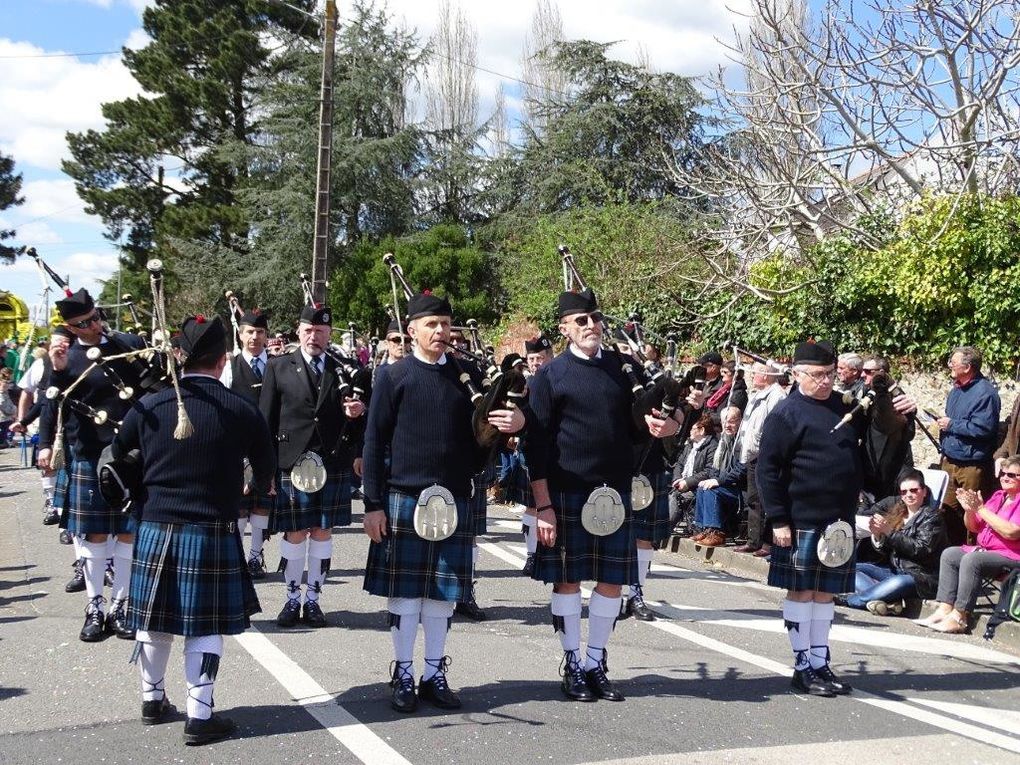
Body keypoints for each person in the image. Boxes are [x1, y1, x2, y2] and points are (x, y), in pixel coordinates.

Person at [361, 290, 524, 713]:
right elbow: (375, 441)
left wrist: (498, 433)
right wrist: (373, 504)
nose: (440, 332)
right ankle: (402, 672)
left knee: (441, 596)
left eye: (445, 324)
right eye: (431, 325)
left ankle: (433, 672)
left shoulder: (465, 377)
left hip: (453, 497)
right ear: (411, 330)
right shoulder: (393, 377)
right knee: (406, 593)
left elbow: (479, 439)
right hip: (404, 496)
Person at [118, 315, 275, 745]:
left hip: (154, 525)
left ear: (179, 357)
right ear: (223, 359)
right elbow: (266, 476)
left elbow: (118, 460)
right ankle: (199, 716)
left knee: (154, 620)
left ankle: (152, 699)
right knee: (204, 626)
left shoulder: (149, 406)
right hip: (212, 529)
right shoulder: (242, 411)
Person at [527, 288, 682, 703]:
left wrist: (673, 423)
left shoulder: (623, 367)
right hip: (567, 491)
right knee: (567, 581)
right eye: (581, 320)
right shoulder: (549, 376)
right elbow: (535, 448)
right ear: (564, 328)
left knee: (612, 581)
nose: (591, 325)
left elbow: (667, 401)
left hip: (615, 492)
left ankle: (596, 661)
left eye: (595, 317)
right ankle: (573, 663)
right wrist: (543, 506)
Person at [757, 339, 899, 698]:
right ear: (798, 374)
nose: (825, 381)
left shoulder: (842, 406)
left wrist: (885, 397)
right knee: (802, 591)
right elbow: (767, 471)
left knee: (826, 594)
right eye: (818, 375)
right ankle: (801, 665)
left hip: (838, 519)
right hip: (801, 516)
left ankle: (820, 661)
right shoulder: (785, 414)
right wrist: (778, 520)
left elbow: (883, 430)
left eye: (831, 375)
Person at [37, 288, 148, 642]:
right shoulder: (64, 359)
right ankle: (95, 606)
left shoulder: (127, 344)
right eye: (83, 324)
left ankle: (121, 605)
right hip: (87, 452)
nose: (94, 325)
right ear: (69, 327)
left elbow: (151, 385)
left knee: (129, 532)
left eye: (95, 316)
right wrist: (56, 371)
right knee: (95, 534)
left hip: (129, 453)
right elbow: (52, 407)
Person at [259, 304, 366, 629]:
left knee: (321, 532)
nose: (314, 336)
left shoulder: (343, 368)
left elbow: (360, 419)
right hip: (291, 463)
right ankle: (292, 600)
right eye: (308, 330)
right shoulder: (278, 367)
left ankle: (315, 600)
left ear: (329, 334)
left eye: (320, 331)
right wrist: (266, 471)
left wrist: (355, 413)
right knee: (294, 534)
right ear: (298, 330)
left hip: (330, 460)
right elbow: (265, 419)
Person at [916, 455, 1020, 634]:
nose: (1004, 477)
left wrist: (980, 509)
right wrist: (970, 510)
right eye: (1003, 473)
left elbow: (1011, 532)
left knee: (973, 560)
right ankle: (944, 608)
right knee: (951, 554)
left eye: (1011, 475)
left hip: (1011, 557)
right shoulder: (998, 496)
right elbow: (974, 526)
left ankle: (960, 616)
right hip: (986, 551)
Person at [842, 469, 946, 614]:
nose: (908, 495)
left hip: (920, 576)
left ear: (924, 492)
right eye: (904, 492)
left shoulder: (932, 518)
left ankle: (852, 600)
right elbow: (887, 551)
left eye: (914, 490)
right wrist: (878, 535)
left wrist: (889, 532)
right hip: (895, 570)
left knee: (899, 582)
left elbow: (919, 549)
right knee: (852, 568)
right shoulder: (899, 513)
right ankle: (888, 600)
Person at [220, 310, 274, 579]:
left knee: (262, 505)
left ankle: (256, 556)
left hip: (269, 446)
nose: (255, 337)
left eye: (260, 332)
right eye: (250, 332)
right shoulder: (229, 368)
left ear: (267, 335)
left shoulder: (277, 366)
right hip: (239, 448)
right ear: (240, 335)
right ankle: (238, 557)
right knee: (240, 507)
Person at [938, 346, 1000, 546]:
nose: (950, 365)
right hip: (950, 462)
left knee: (972, 515)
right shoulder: (956, 390)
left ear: (968, 367)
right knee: (945, 511)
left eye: (953, 362)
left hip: (972, 466)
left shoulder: (985, 394)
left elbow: (985, 429)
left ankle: (971, 559)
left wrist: (951, 425)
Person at [732, 363, 787, 555]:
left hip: (766, 454)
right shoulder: (757, 394)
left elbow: (774, 427)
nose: (752, 375)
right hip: (753, 454)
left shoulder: (777, 396)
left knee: (767, 498)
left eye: (755, 373)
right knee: (754, 499)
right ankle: (753, 540)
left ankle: (767, 543)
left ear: (766, 375)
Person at [514, 334, 554, 576]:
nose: (536, 362)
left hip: (556, 450)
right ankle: (531, 555)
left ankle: (548, 551)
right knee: (531, 504)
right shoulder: (522, 385)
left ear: (549, 357)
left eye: (540, 357)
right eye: (532, 358)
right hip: (530, 446)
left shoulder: (559, 380)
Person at [690, 406, 743, 547]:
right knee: (703, 486)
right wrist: (711, 479)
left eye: (732, 421)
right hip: (726, 484)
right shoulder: (723, 441)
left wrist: (718, 481)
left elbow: (740, 470)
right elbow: (715, 467)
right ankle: (704, 529)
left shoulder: (742, 441)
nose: (727, 425)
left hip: (739, 489)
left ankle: (716, 532)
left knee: (711, 490)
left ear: (740, 421)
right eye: (724, 421)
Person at [670, 413, 719, 534]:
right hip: (683, 483)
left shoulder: (712, 446)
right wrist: (677, 479)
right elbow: (679, 464)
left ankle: (660, 533)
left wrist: (687, 482)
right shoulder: (690, 446)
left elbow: (708, 471)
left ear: (701, 430)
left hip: (698, 486)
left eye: (693, 429)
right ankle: (660, 532)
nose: (690, 431)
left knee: (677, 497)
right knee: (671, 495)